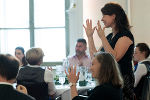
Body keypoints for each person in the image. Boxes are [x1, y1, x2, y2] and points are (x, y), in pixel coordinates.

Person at [83, 2, 135, 100]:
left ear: (113, 16)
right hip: (109, 81)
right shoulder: (110, 37)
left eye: (104, 16)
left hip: (122, 81)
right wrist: (90, 37)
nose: (102, 19)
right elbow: (96, 57)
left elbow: (114, 58)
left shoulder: (125, 36)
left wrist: (102, 37)